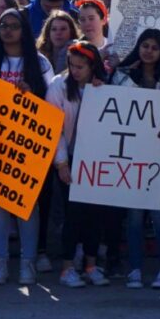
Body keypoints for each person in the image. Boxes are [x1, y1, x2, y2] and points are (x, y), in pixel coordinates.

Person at [0, 8, 53, 284]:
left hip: (29, 143)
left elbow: (53, 103)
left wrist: (34, 95)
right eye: (3, 25)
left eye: (14, 25)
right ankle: (1, 264)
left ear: (24, 30)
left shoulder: (40, 62)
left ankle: (27, 264)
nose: (8, 30)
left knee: (26, 205)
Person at [111, 28, 160, 288]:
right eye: (145, 45)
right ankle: (135, 268)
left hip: (159, 156)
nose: (148, 51)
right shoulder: (121, 78)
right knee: (133, 216)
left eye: (154, 47)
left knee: (158, 213)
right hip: (130, 156)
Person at [49, 39, 113, 287]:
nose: (74, 71)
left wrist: (102, 91)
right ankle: (67, 268)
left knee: (94, 216)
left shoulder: (103, 86)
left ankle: (90, 265)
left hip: (97, 160)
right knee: (73, 215)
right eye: (71, 65)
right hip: (70, 159)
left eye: (80, 67)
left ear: (92, 66)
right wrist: (62, 164)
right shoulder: (58, 86)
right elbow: (55, 129)